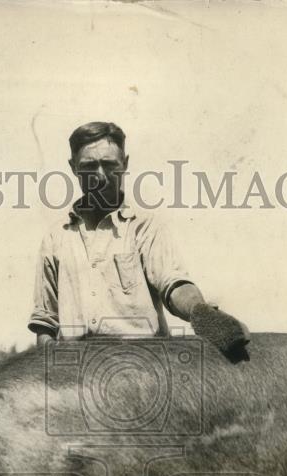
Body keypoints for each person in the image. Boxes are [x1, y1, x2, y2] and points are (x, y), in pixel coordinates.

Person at [27, 121, 249, 359]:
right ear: (73, 168)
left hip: (143, 366)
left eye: (110, 164)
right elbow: (45, 323)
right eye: (89, 166)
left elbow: (173, 283)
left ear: (125, 165)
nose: (100, 175)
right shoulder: (56, 237)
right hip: (77, 373)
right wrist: (49, 369)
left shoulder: (145, 227)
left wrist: (200, 312)